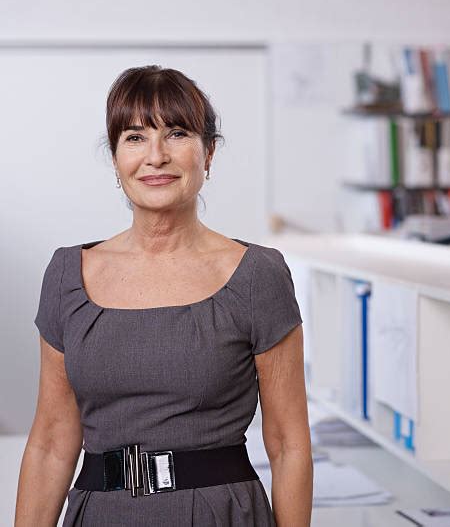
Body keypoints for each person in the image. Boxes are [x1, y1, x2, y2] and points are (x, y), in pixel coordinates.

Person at [15, 65, 313, 526]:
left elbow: (288, 442)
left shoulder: (258, 274)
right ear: (115, 159)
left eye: (176, 133)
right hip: (101, 515)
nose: (155, 156)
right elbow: (52, 441)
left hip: (219, 516)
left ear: (208, 153)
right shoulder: (66, 275)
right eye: (134, 137)